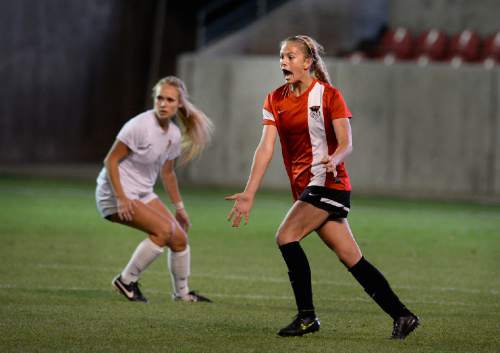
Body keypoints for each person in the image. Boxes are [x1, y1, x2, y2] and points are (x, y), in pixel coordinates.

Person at [226, 35, 419, 338]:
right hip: (308, 188)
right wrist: (249, 192)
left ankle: (307, 318)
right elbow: (264, 149)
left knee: (286, 237)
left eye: (290, 57)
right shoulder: (274, 99)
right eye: (281, 57)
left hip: (329, 183)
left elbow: (346, 143)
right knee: (351, 257)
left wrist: (335, 158)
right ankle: (403, 316)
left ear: (308, 62)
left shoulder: (329, 96)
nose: (283, 62)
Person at [96, 76, 213, 303]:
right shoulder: (138, 126)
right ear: (154, 99)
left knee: (179, 237)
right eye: (160, 98)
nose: (163, 104)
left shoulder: (173, 134)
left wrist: (179, 208)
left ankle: (182, 293)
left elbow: (168, 173)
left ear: (179, 103)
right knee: (162, 231)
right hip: (113, 193)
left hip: (142, 192)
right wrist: (121, 198)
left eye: (170, 100)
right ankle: (126, 280)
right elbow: (110, 161)